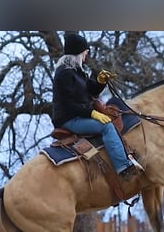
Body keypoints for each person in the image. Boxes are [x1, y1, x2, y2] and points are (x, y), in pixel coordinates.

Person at [52, 32, 137, 179]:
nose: (86, 54)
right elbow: (69, 104)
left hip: (79, 116)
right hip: (69, 119)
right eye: (85, 52)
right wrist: (92, 113)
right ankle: (123, 167)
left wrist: (101, 81)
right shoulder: (64, 74)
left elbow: (92, 90)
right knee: (106, 126)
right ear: (79, 52)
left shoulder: (78, 72)